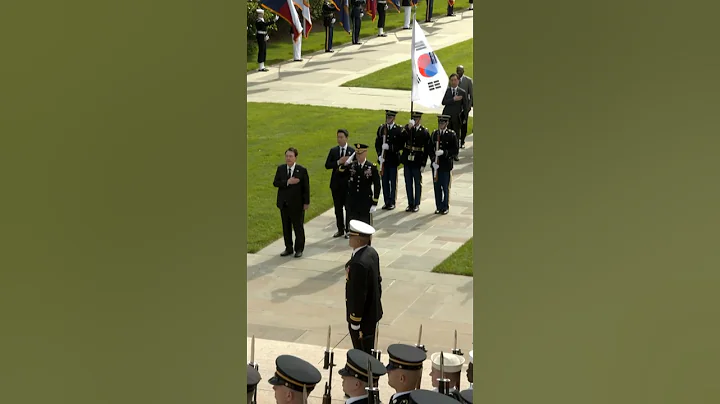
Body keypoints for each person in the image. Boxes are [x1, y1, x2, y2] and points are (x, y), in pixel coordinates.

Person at [345, 220, 383, 354]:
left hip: (363, 319)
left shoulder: (358, 264)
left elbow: (358, 295)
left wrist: (355, 320)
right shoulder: (371, 252)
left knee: (362, 353)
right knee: (369, 348)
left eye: (351, 236)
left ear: (359, 240)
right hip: (372, 312)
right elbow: (378, 282)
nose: (349, 238)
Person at [273, 147, 310, 258]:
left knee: (298, 227)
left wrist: (306, 202)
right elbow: (276, 183)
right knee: (286, 227)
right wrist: (287, 182)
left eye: (290, 156)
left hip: (297, 205)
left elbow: (306, 188)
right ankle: (288, 248)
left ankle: (299, 249)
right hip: (284, 204)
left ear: (295, 157)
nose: (288, 158)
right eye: (287, 156)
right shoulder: (281, 169)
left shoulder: (301, 170)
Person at [339, 143, 380, 225]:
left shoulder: (371, 167)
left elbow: (377, 185)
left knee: (364, 225)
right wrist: (346, 163)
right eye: (357, 154)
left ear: (365, 153)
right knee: (354, 224)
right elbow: (341, 172)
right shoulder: (352, 166)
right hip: (353, 200)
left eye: (360, 154)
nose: (358, 156)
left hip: (365, 200)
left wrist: (375, 202)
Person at [325, 129, 355, 238]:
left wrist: (349, 162)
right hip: (336, 185)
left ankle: (348, 230)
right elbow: (327, 165)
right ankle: (340, 229)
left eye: (341, 137)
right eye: (338, 137)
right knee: (338, 209)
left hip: (347, 185)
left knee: (348, 208)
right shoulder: (333, 151)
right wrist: (339, 162)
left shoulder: (352, 151)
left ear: (346, 138)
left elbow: (355, 166)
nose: (339, 139)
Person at [400, 111, 431, 212]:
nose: (415, 121)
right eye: (414, 119)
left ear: (420, 120)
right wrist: (408, 129)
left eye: (417, 119)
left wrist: (423, 163)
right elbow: (401, 140)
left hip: (417, 160)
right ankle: (410, 203)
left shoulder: (424, 132)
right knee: (408, 183)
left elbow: (426, 149)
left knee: (417, 183)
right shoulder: (407, 129)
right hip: (408, 161)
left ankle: (416, 203)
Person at [429, 115, 459, 215]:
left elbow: (455, 151)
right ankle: (439, 206)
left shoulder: (451, 135)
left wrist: (444, 152)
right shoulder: (434, 134)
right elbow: (430, 149)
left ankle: (445, 206)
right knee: (436, 187)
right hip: (436, 166)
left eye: (442, 123)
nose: (440, 125)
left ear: (446, 123)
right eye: (439, 123)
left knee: (445, 187)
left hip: (445, 166)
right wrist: (433, 160)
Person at [375, 110, 404, 211]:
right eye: (387, 117)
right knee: (385, 182)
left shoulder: (398, 130)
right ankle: (386, 201)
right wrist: (379, 155)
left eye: (390, 118)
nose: (388, 119)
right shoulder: (382, 128)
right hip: (384, 160)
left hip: (393, 159)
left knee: (392, 181)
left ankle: (392, 201)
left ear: (394, 118)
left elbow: (401, 145)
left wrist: (390, 147)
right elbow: (377, 143)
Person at [441, 73, 468, 162]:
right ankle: (446, 153)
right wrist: (453, 99)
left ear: (458, 81)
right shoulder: (447, 91)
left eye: (455, 80)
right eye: (452, 80)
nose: (453, 82)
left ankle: (455, 154)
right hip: (447, 118)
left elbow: (465, 107)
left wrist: (464, 118)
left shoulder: (462, 92)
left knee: (456, 136)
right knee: (446, 136)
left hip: (457, 118)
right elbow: (443, 102)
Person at [456, 65, 473, 149]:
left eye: (460, 70)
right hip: (456, 107)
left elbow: (472, 95)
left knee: (464, 125)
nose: (458, 72)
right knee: (456, 125)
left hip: (464, 107)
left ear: (463, 71)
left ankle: (462, 141)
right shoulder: (454, 80)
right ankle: (456, 141)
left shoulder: (468, 81)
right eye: (457, 70)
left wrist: (469, 107)